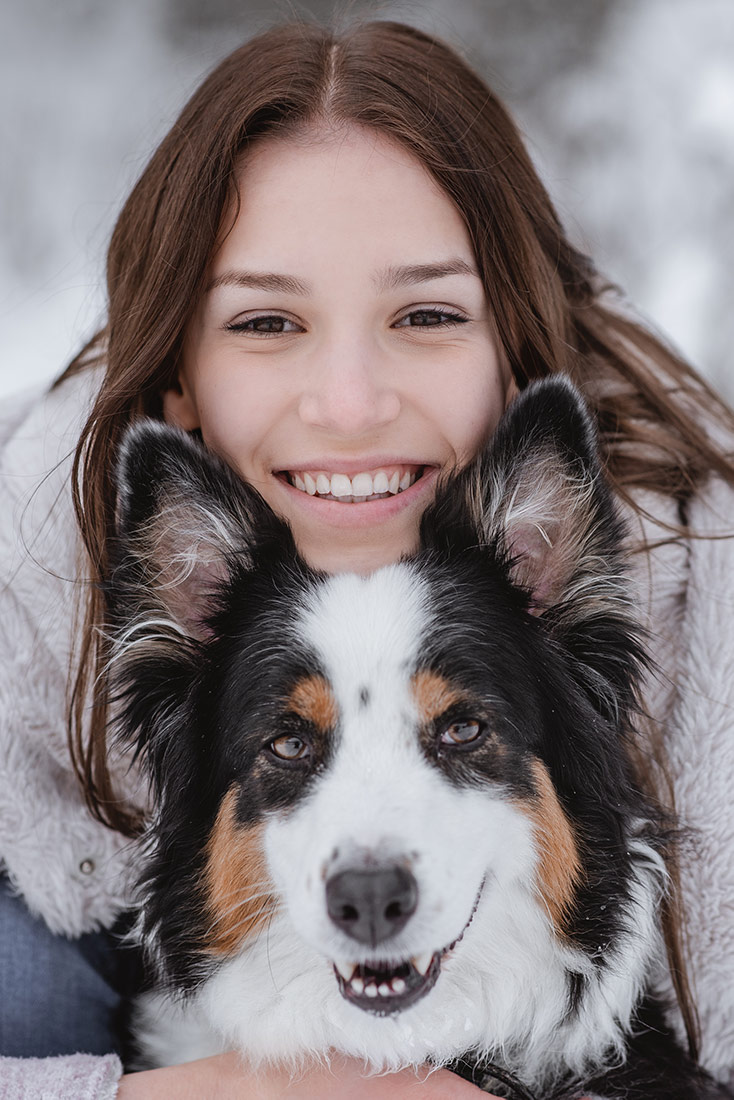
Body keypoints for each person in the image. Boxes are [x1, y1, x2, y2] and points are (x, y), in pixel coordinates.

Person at [1, 18, 733, 1099]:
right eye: (265, 322)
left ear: (514, 348)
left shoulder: (686, 587)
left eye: (425, 312)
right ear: (176, 380)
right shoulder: (41, 592)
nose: (348, 404)